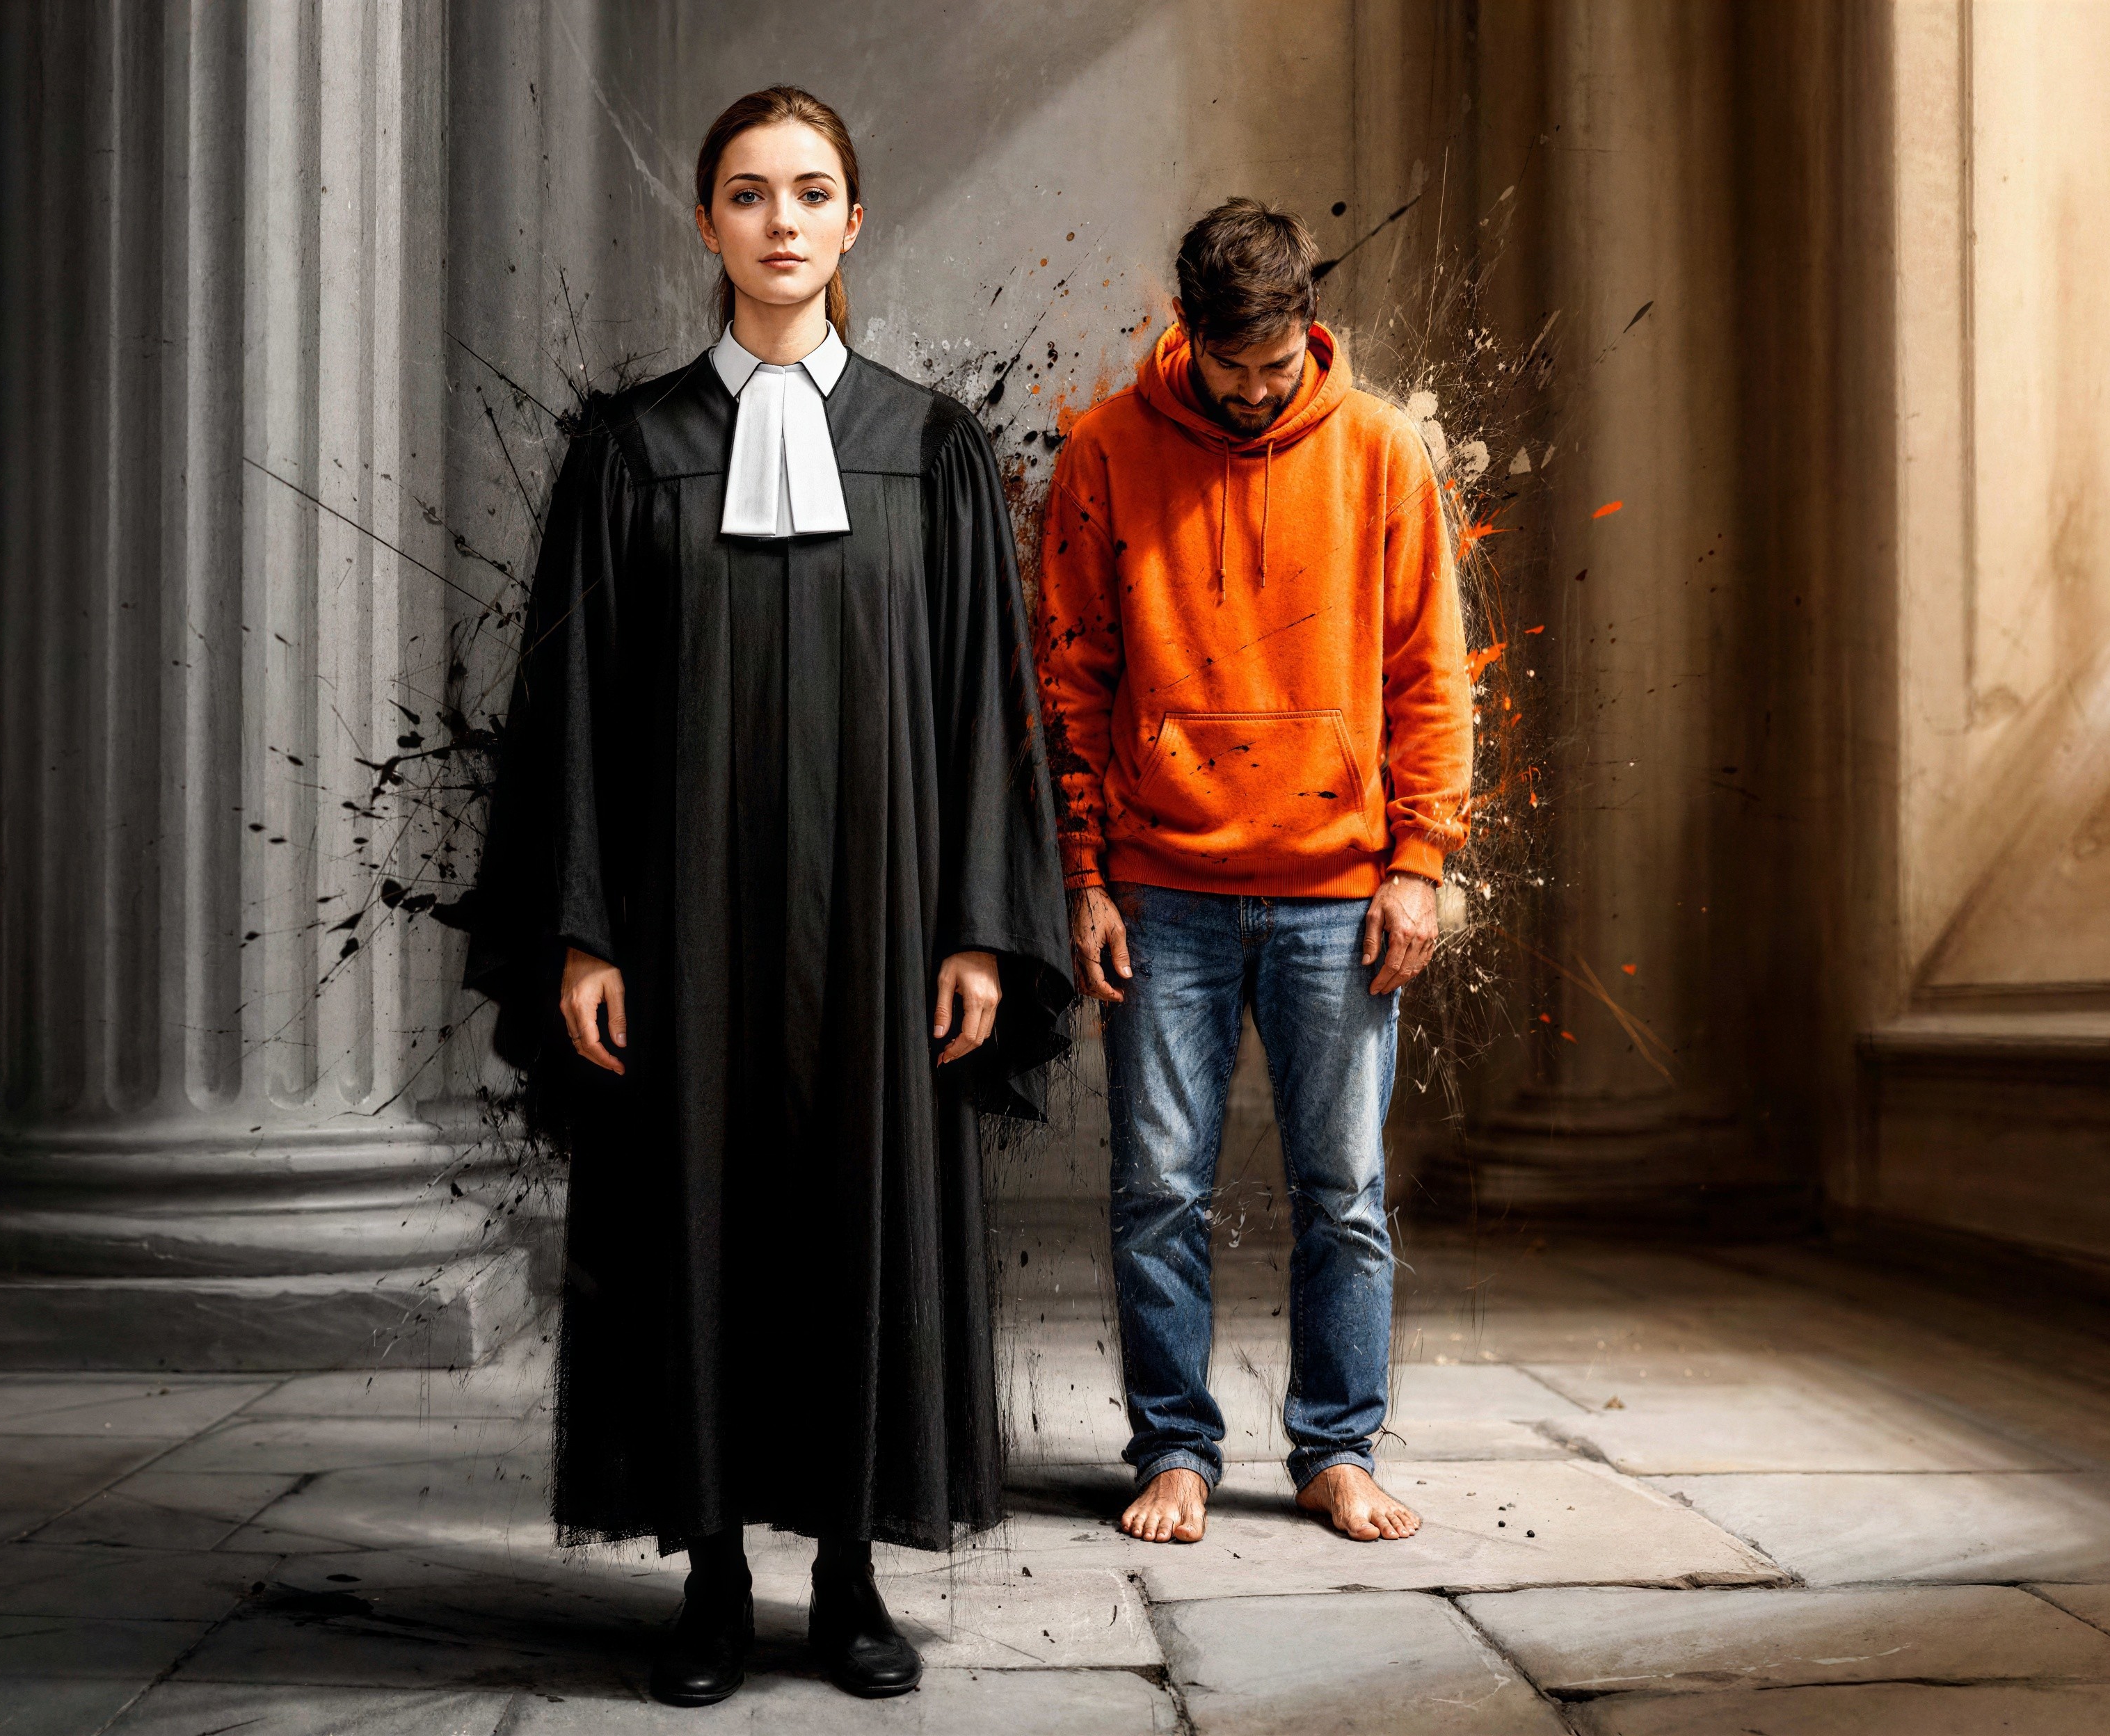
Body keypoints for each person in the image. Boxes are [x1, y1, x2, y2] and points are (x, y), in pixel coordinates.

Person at [466, 86, 1071, 1707]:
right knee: (698, 1224)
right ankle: (717, 1579)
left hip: (882, 932)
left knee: (865, 1221)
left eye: (812, 193)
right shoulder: (630, 453)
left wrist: (976, 928)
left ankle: (856, 1577)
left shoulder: (932, 451)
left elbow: (984, 715)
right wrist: (585, 926)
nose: (782, 221)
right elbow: (573, 704)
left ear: (854, 224)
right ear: (710, 225)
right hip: (685, 928)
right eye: (748, 194)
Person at [1033, 198, 1471, 1550]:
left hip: (1340, 889)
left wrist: (1421, 861)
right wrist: (1083, 869)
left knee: (1342, 1191)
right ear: (1192, 335)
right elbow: (1069, 675)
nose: (1254, 395)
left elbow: (1429, 675)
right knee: (1160, 1186)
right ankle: (1174, 1451)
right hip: (1162, 889)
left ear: (1306, 333)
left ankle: (1336, 1451)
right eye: (1232, 374)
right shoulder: (1104, 455)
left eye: (1275, 373)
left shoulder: (1386, 453)